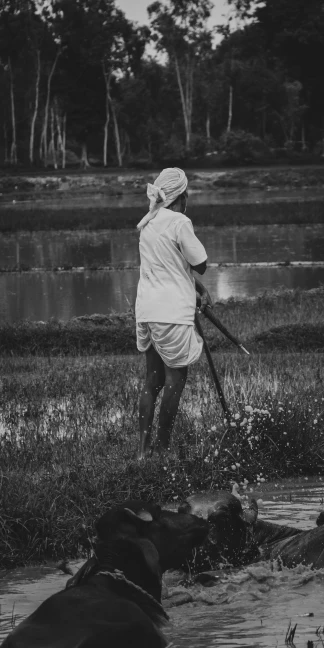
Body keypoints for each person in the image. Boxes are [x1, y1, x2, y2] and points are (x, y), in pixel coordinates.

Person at [135, 167, 212, 459]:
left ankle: (142, 452)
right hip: (172, 314)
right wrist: (195, 279)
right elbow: (201, 262)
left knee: (152, 380)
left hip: (147, 311)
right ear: (183, 195)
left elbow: (163, 268)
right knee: (175, 381)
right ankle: (163, 448)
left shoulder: (148, 221)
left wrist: (194, 287)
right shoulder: (180, 221)